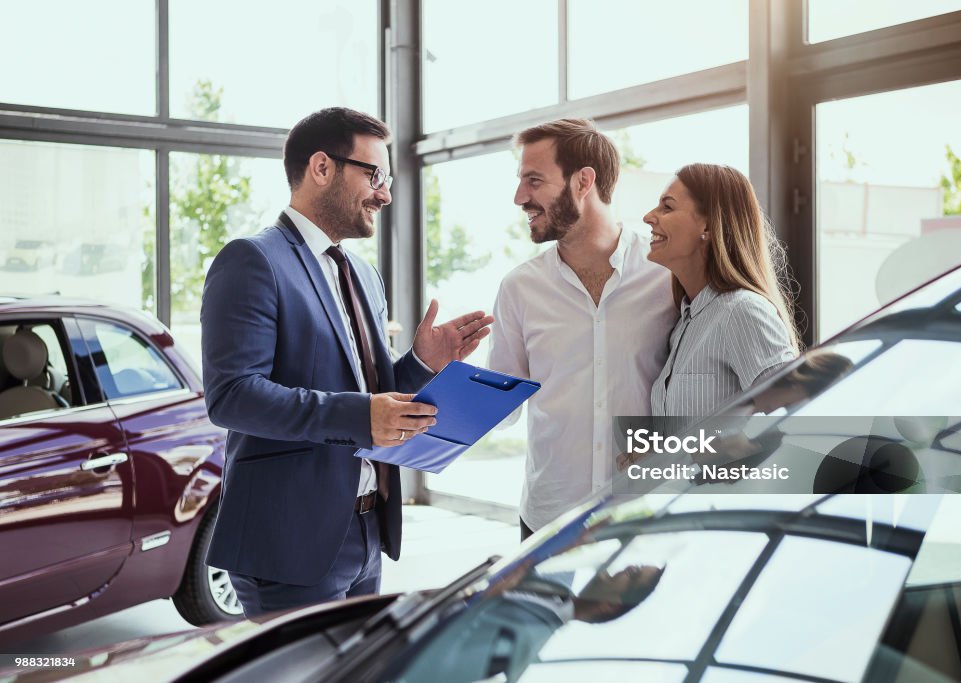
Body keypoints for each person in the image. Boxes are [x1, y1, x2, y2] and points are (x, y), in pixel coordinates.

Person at [201, 107, 493, 617]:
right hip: (289, 541)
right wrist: (361, 416)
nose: (384, 193)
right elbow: (232, 395)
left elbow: (368, 391)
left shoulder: (362, 273)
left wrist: (422, 362)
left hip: (365, 530)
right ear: (321, 167)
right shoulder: (252, 260)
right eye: (373, 174)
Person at [488, 119, 677, 540]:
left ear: (583, 181)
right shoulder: (520, 288)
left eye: (533, 181)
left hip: (646, 516)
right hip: (548, 519)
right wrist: (439, 374)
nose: (520, 197)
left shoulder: (666, 275)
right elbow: (501, 408)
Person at [644, 163, 800, 420]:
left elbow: (788, 418)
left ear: (708, 226)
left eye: (667, 207)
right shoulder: (685, 321)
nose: (649, 216)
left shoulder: (742, 311)